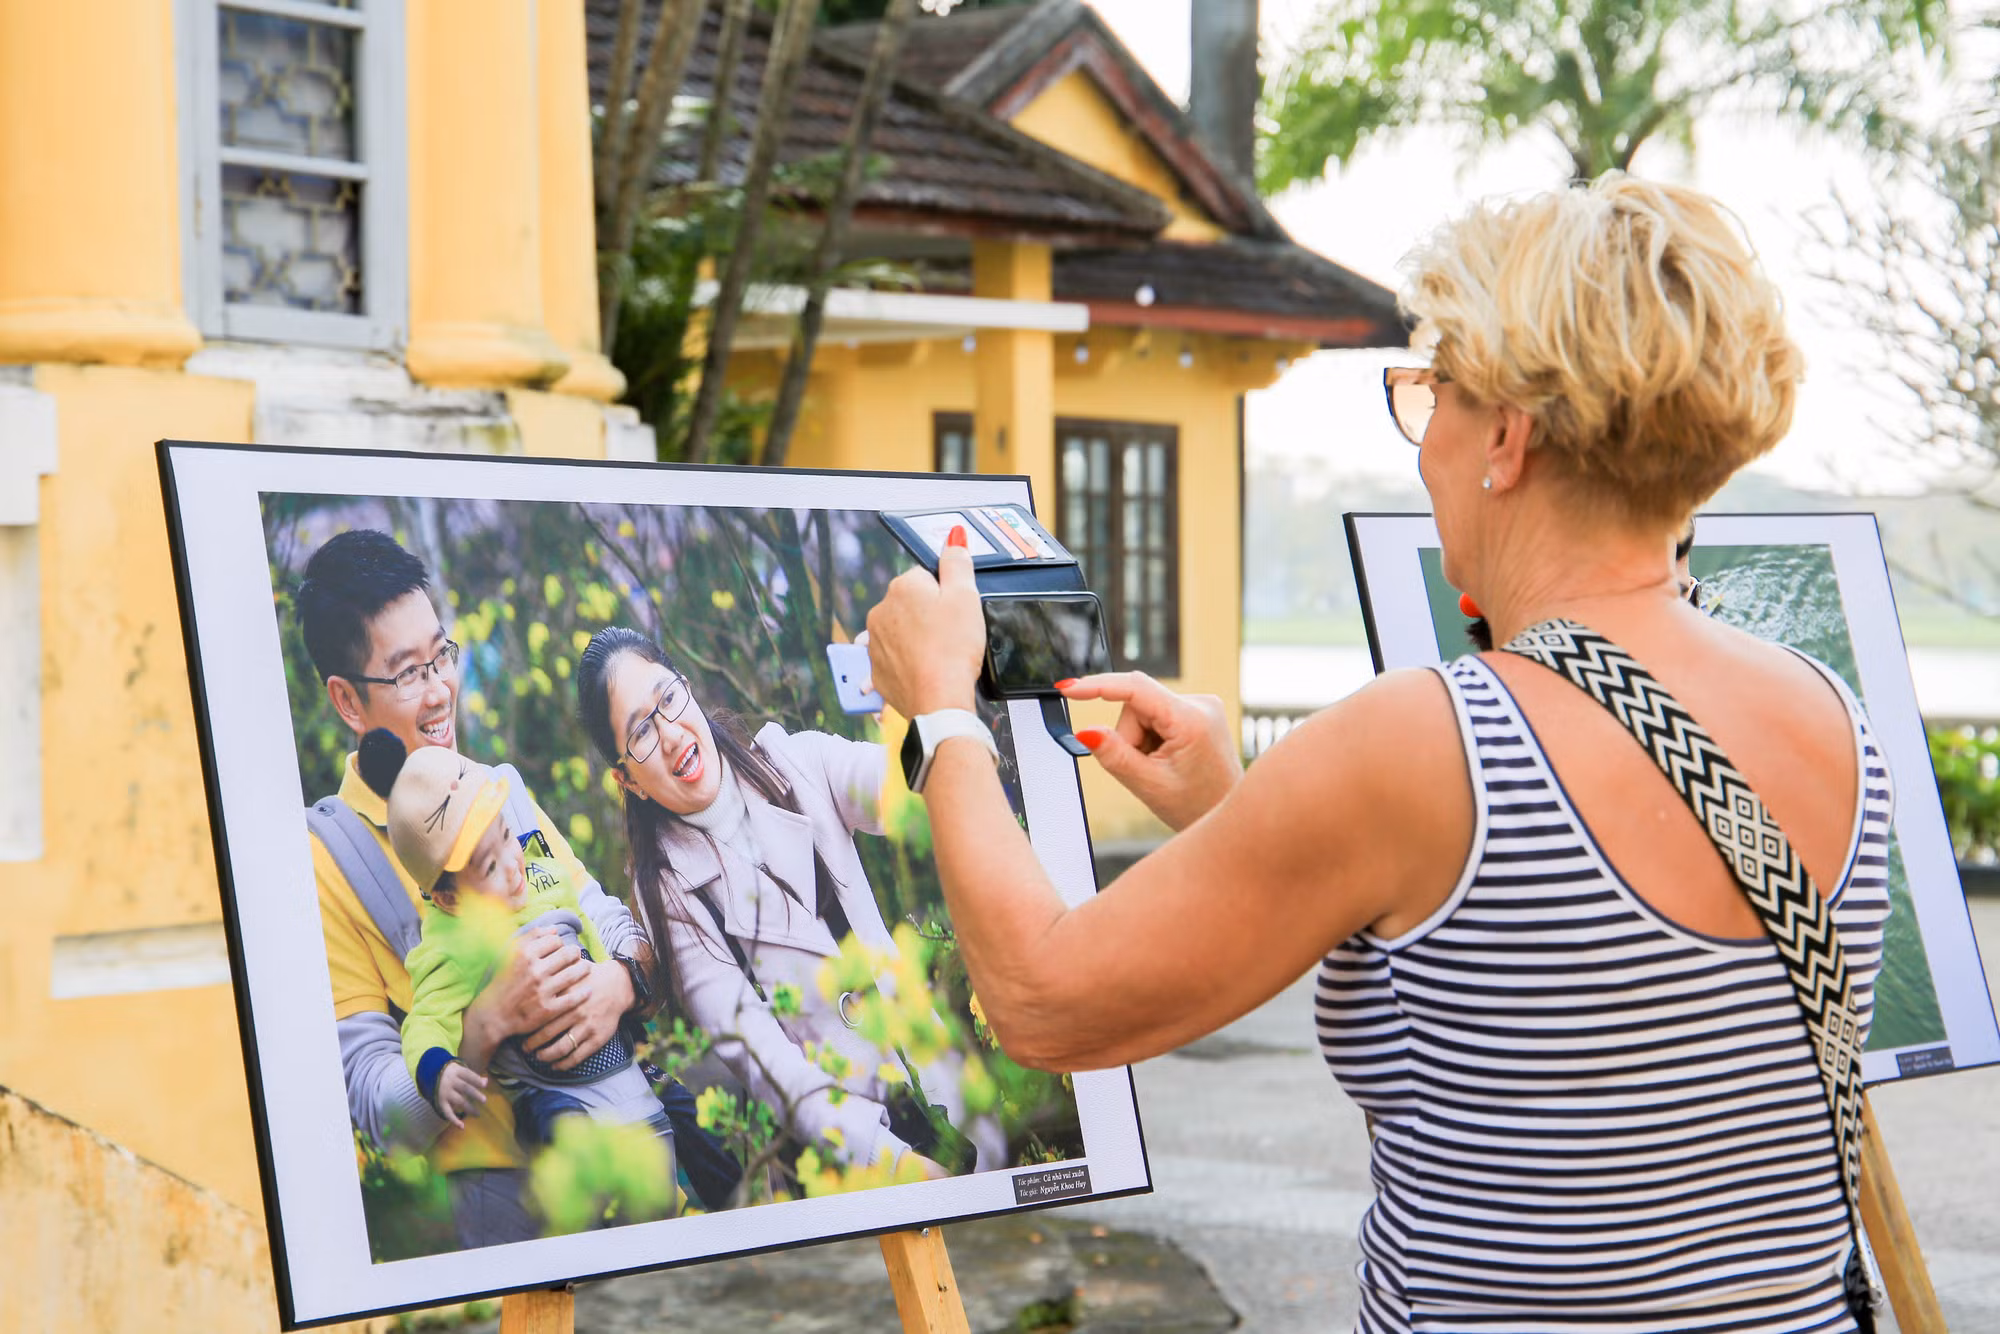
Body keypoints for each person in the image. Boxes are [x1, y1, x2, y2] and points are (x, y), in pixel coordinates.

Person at [864, 174, 1893, 1332]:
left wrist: (942, 707)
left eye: (1429, 391)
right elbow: (1522, 1000)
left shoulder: (1426, 740)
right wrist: (1234, 807)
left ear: (1503, 435)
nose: (1423, 443)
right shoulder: (1828, 717)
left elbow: (1045, 1002)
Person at [297, 529, 651, 1247]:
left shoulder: (497, 791)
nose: (440, 692)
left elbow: (604, 915)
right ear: (348, 701)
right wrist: (482, 1028)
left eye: (441, 657)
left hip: (617, 1135)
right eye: (407, 673)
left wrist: (620, 984)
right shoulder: (327, 860)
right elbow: (377, 1107)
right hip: (497, 1201)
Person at [574, 626, 1005, 1184]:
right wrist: (891, 1161)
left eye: (669, 698)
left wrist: (909, 704)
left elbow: (914, 791)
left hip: (948, 1093)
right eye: (642, 732)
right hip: (860, 1161)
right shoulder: (672, 897)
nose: (672, 734)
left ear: (687, 687)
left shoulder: (796, 762)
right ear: (627, 781)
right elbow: (770, 1067)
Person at [356, 731, 676, 1187]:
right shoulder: (451, 946)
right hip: (547, 1105)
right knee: (563, 1136)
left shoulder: (538, 869)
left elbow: (592, 918)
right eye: (490, 867)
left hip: (619, 1067)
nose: (513, 864)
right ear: (448, 899)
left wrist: (621, 980)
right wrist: (441, 1068)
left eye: (509, 836)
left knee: (683, 1118)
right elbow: (424, 1023)